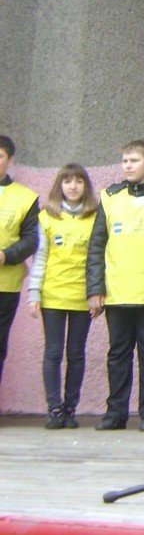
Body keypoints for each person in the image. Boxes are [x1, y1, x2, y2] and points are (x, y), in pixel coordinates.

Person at [87, 139, 144, 431]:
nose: (127, 165)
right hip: (116, 291)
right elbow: (96, 246)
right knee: (117, 354)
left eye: (134, 160)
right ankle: (116, 412)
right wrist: (95, 289)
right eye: (124, 160)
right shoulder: (110, 197)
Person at [26, 164, 97, 428]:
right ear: (60, 186)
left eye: (78, 181)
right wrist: (34, 294)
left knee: (76, 354)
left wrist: (96, 293)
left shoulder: (95, 217)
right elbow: (40, 258)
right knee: (53, 353)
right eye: (67, 181)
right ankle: (54, 409)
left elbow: (97, 259)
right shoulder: (46, 217)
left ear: (85, 186)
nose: (73, 186)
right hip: (52, 295)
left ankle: (70, 408)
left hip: (82, 296)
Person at [0, 135, 40, 387]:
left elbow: (31, 239)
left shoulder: (25, 197)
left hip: (6, 284)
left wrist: (6, 255)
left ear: (10, 160)